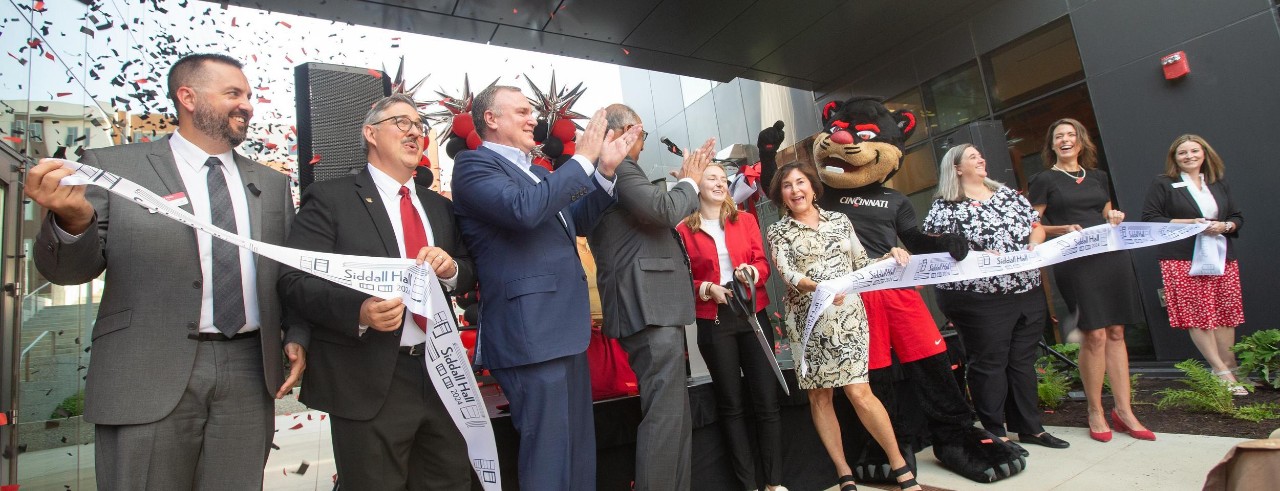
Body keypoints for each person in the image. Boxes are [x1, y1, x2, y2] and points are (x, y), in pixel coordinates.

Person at [25, 53, 305, 489]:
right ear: (187, 97)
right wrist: (72, 222)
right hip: (145, 369)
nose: (247, 104)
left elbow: (288, 276)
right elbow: (66, 272)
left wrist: (296, 336)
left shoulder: (270, 184)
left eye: (249, 95)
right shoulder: (113, 168)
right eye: (233, 93)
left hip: (249, 371)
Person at [276, 94, 481, 489]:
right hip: (367, 380)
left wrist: (452, 269)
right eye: (400, 122)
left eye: (419, 125)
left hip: (442, 375)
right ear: (370, 133)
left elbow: (469, 270)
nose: (414, 132)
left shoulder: (438, 207)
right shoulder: (331, 198)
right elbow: (295, 281)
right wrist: (359, 311)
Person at [451, 86, 639, 490]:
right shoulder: (473, 166)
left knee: (577, 453)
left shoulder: (537, 172)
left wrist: (604, 170)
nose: (532, 118)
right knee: (549, 456)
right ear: (491, 119)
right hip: (530, 334)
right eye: (521, 111)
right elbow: (524, 211)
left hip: (563, 331)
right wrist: (583, 159)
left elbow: (578, 219)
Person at [766, 162, 921, 491]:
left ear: (812, 186)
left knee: (859, 392)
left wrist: (889, 256)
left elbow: (861, 266)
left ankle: (899, 465)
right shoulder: (777, 231)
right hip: (807, 324)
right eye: (787, 186)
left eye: (800, 182)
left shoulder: (840, 220)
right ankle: (843, 471)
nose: (796, 190)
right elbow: (788, 276)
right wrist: (822, 287)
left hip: (848, 319)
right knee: (820, 398)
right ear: (781, 194)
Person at [586, 104, 711, 491]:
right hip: (646, 306)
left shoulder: (619, 170)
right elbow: (662, 211)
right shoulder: (620, 166)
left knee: (673, 413)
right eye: (642, 136)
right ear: (630, 130)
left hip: (649, 305)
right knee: (665, 414)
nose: (642, 145)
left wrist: (684, 187)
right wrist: (689, 183)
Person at [923, 144, 1068, 454]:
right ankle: (993, 431)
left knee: (1022, 361)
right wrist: (972, 255)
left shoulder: (1007, 195)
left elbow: (1036, 226)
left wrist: (1033, 244)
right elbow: (934, 248)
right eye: (973, 156)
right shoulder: (946, 206)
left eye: (980, 154)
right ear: (957, 168)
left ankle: (1031, 427)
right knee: (989, 363)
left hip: (1025, 289)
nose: (981, 158)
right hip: (978, 297)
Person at [1028, 118, 1152, 442]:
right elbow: (1034, 226)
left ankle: (1124, 410)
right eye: (1059, 136)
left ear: (1081, 142)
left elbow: (1106, 213)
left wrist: (1115, 217)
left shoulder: (1098, 177)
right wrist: (1062, 228)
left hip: (1110, 257)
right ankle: (1095, 410)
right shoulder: (1044, 179)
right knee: (1094, 333)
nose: (1065, 140)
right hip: (1076, 261)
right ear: (1052, 145)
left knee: (1116, 330)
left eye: (1071, 135)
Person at [678, 162, 787, 491]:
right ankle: (748, 485)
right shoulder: (683, 230)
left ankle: (774, 483)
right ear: (697, 184)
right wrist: (706, 289)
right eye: (711, 177)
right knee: (731, 404)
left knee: (766, 400)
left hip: (752, 312)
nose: (720, 183)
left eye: (724, 179)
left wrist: (752, 274)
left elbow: (761, 262)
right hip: (713, 319)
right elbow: (681, 278)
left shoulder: (747, 219)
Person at [1142, 134, 1246, 395]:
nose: (1189, 156)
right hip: (1181, 257)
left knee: (1225, 312)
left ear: (1204, 154)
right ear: (1174, 158)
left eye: (1194, 151)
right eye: (1182, 153)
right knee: (1198, 314)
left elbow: (1236, 217)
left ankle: (1229, 366)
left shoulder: (1217, 183)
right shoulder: (1164, 183)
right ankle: (1219, 370)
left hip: (1220, 254)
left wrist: (1225, 226)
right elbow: (1151, 217)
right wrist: (1190, 224)